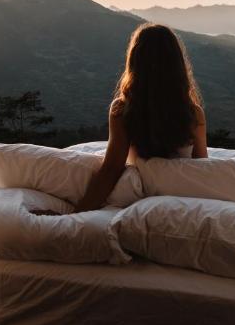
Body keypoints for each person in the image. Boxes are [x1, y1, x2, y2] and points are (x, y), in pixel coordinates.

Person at [70, 23, 208, 212]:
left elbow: (111, 169)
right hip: (181, 197)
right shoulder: (193, 113)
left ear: (135, 61)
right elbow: (203, 169)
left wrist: (73, 214)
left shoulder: (123, 110)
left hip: (136, 196)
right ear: (177, 64)